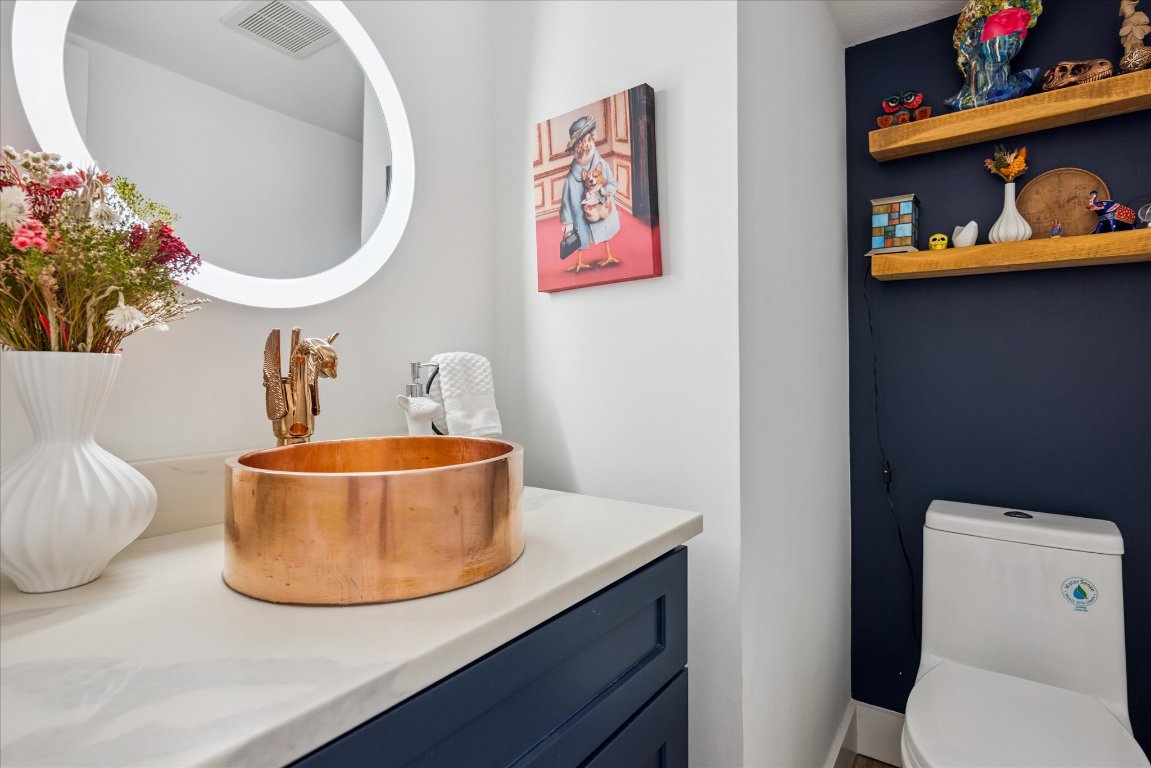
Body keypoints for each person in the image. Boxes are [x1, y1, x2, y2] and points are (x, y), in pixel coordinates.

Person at [560, 116, 620, 273]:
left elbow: (613, 184)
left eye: (587, 142)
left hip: (602, 213)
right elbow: (566, 202)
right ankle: (579, 261)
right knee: (580, 236)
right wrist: (567, 223)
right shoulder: (570, 180)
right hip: (582, 218)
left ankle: (608, 254)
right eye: (579, 145)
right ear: (574, 151)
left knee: (605, 230)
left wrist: (603, 194)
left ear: (592, 141)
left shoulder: (602, 166)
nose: (584, 148)